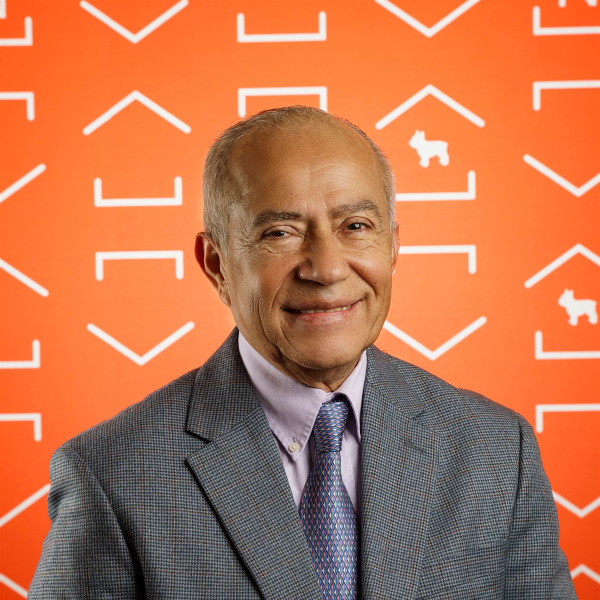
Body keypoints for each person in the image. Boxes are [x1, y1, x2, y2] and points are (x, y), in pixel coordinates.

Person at [29, 106, 577, 599]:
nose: (327, 268)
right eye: (280, 233)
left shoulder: (496, 451)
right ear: (216, 264)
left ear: (393, 246)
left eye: (356, 226)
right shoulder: (112, 474)